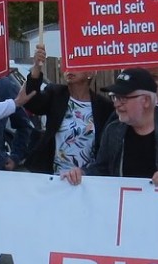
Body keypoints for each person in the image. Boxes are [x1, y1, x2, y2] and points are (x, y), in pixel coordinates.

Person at [65, 69, 158, 186]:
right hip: (126, 212)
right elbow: (102, 169)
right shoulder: (113, 130)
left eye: (123, 98)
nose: (116, 104)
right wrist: (82, 173)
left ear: (146, 101)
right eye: (114, 97)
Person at [20, 47, 110, 176]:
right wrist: (37, 66)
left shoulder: (104, 106)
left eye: (76, 65)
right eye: (67, 64)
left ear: (90, 72)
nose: (70, 69)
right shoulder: (55, 94)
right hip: (54, 176)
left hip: (87, 179)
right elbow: (32, 103)